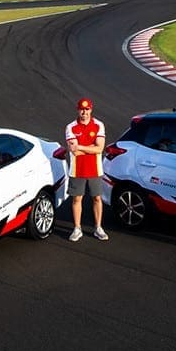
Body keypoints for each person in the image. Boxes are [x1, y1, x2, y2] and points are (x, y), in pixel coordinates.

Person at [65, 97, 108, 242]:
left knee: (97, 198)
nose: (84, 112)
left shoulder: (98, 125)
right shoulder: (70, 127)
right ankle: (77, 228)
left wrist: (81, 147)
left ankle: (98, 228)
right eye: (82, 109)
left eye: (87, 109)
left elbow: (100, 148)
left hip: (95, 169)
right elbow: (74, 152)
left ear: (91, 109)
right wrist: (91, 147)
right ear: (78, 110)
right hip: (77, 170)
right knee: (77, 199)